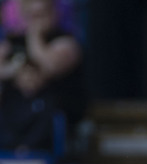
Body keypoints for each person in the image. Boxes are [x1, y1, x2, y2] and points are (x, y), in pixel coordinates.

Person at [0, 0, 86, 152]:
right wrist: (15, 70)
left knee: (46, 107)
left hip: (52, 120)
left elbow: (49, 65)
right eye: (31, 16)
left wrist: (34, 35)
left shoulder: (66, 41)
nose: (35, 21)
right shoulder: (12, 41)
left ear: (54, 13)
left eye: (41, 15)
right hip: (15, 116)